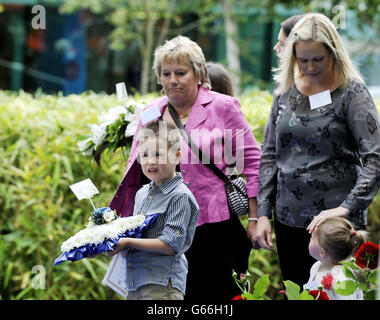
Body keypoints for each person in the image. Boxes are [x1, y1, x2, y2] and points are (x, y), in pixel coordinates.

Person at [110, 35, 262, 300]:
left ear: (199, 73)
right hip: (162, 228)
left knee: (219, 296)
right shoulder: (150, 113)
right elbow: (134, 169)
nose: (172, 80)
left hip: (215, 225)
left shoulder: (223, 108)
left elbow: (249, 163)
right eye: (165, 73)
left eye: (180, 73)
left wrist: (255, 218)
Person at [256, 12, 380, 289]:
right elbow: (269, 153)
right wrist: (263, 212)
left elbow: (375, 158)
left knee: (338, 293)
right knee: (298, 291)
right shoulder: (284, 90)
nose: (310, 67)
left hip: (336, 227)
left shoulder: (352, 93)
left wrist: (346, 208)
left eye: (318, 59)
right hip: (289, 220)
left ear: (333, 53)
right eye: (303, 59)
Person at [108, 120, 199, 300]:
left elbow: (170, 244)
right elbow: (137, 234)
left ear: (176, 156)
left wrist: (127, 242)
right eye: (145, 155)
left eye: (158, 154)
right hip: (135, 281)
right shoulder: (141, 193)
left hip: (162, 285)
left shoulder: (180, 196)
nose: (150, 161)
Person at [304, 217, 367, 300]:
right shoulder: (317, 266)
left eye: (311, 239)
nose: (309, 239)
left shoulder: (341, 279)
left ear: (322, 252)